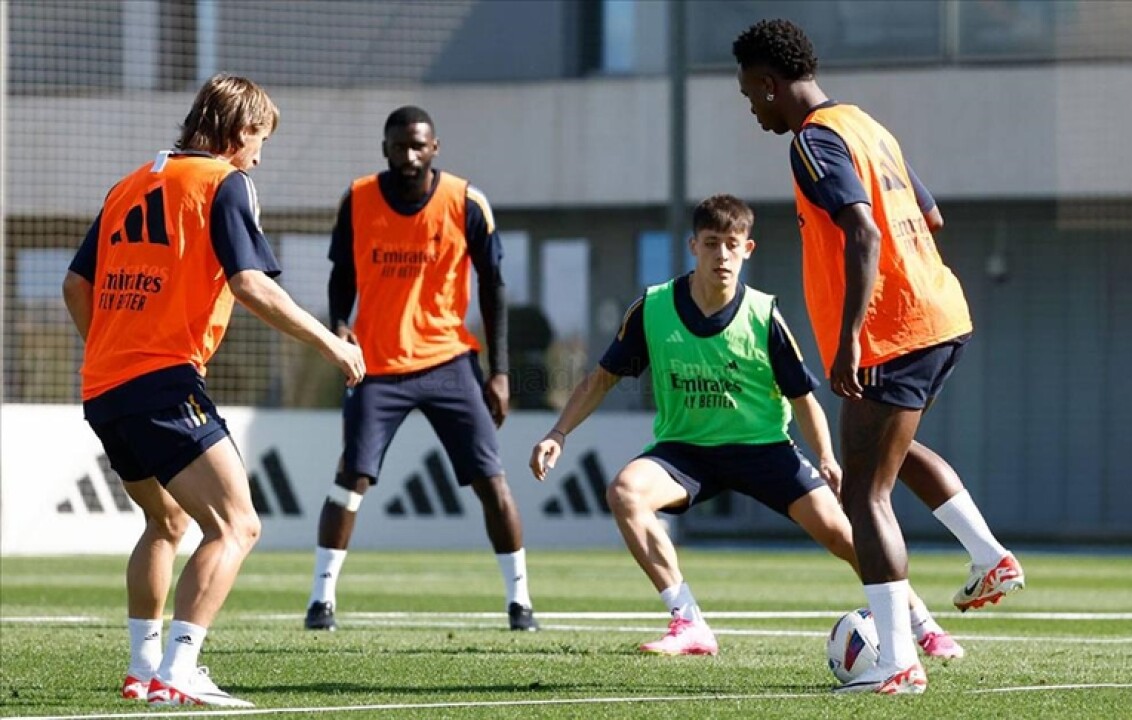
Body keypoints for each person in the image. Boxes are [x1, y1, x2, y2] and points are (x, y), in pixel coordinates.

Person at [529, 194, 962, 659]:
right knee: (625, 493)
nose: (722, 255)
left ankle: (921, 623)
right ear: (693, 246)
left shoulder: (763, 314)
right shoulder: (653, 309)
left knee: (844, 533)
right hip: (685, 452)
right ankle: (688, 621)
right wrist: (558, 433)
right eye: (711, 243)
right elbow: (602, 378)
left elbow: (803, 400)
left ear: (747, 250)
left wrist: (826, 458)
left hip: (764, 450)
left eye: (732, 244)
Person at [733, 19, 1026, 694]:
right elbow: (931, 216)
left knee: (864, 492)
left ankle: (896, 662)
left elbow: (863, 232)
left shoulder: (813, 140)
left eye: (749, 94)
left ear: (770, 84)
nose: (751, 108)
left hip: (891, 331)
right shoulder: (865, 125)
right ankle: (988, 555)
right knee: (889, 452)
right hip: (940, 314)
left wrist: (849, 339)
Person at [61, 74, 366, 708]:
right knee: (237, 525)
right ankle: (179, 670)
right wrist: (331, 343)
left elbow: (74, 285)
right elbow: (250, 283)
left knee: (165, 520)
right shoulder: (224, 182)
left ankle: (143, 668)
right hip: (163, 383)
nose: (259, 156)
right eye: (260, 139)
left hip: (105, 387)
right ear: (239, 131)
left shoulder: (129, 184)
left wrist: (114, 348)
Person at [304, 105, 538, 632]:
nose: (409, 155)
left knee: (491, 480)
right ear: (385, 149)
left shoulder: (466, 201)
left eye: (418, 145)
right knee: (351, 477)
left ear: (435, 148)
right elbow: (342, 275)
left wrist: (499, 372)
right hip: (376, 364)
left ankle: (520, 602)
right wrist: (339, 325)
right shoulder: (358, 198)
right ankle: (321, 600)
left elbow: (494, 287)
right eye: (399, 146)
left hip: (448, 361)